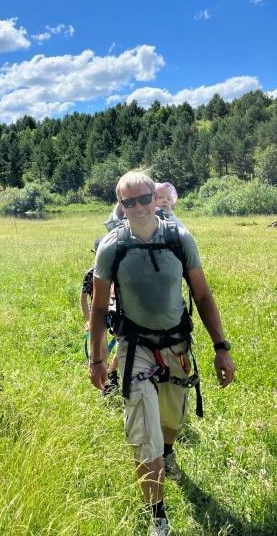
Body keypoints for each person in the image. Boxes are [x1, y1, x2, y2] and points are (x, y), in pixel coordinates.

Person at [89, 170, 235, 536]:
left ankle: (168, 452)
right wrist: (97, 360)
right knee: (144, 433)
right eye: (129, 201)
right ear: (120, 205)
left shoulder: (180, 239)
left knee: (171, 419)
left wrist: (222, 349)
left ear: (156, 197)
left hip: (176, 345)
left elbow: (202, 295)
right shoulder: (111, 246)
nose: (137, 207)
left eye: (143, 198)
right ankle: (158, 519)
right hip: (134, 347)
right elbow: (97, 307)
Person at [80, 237, 119, 395]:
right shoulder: (90, 273)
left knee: (121, 346)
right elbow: (83, 298)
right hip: (98, 316)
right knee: (100, 350)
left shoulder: (117, 270)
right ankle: (106, 384)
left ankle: (111, 371)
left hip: (116, 313)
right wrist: (89, 319)